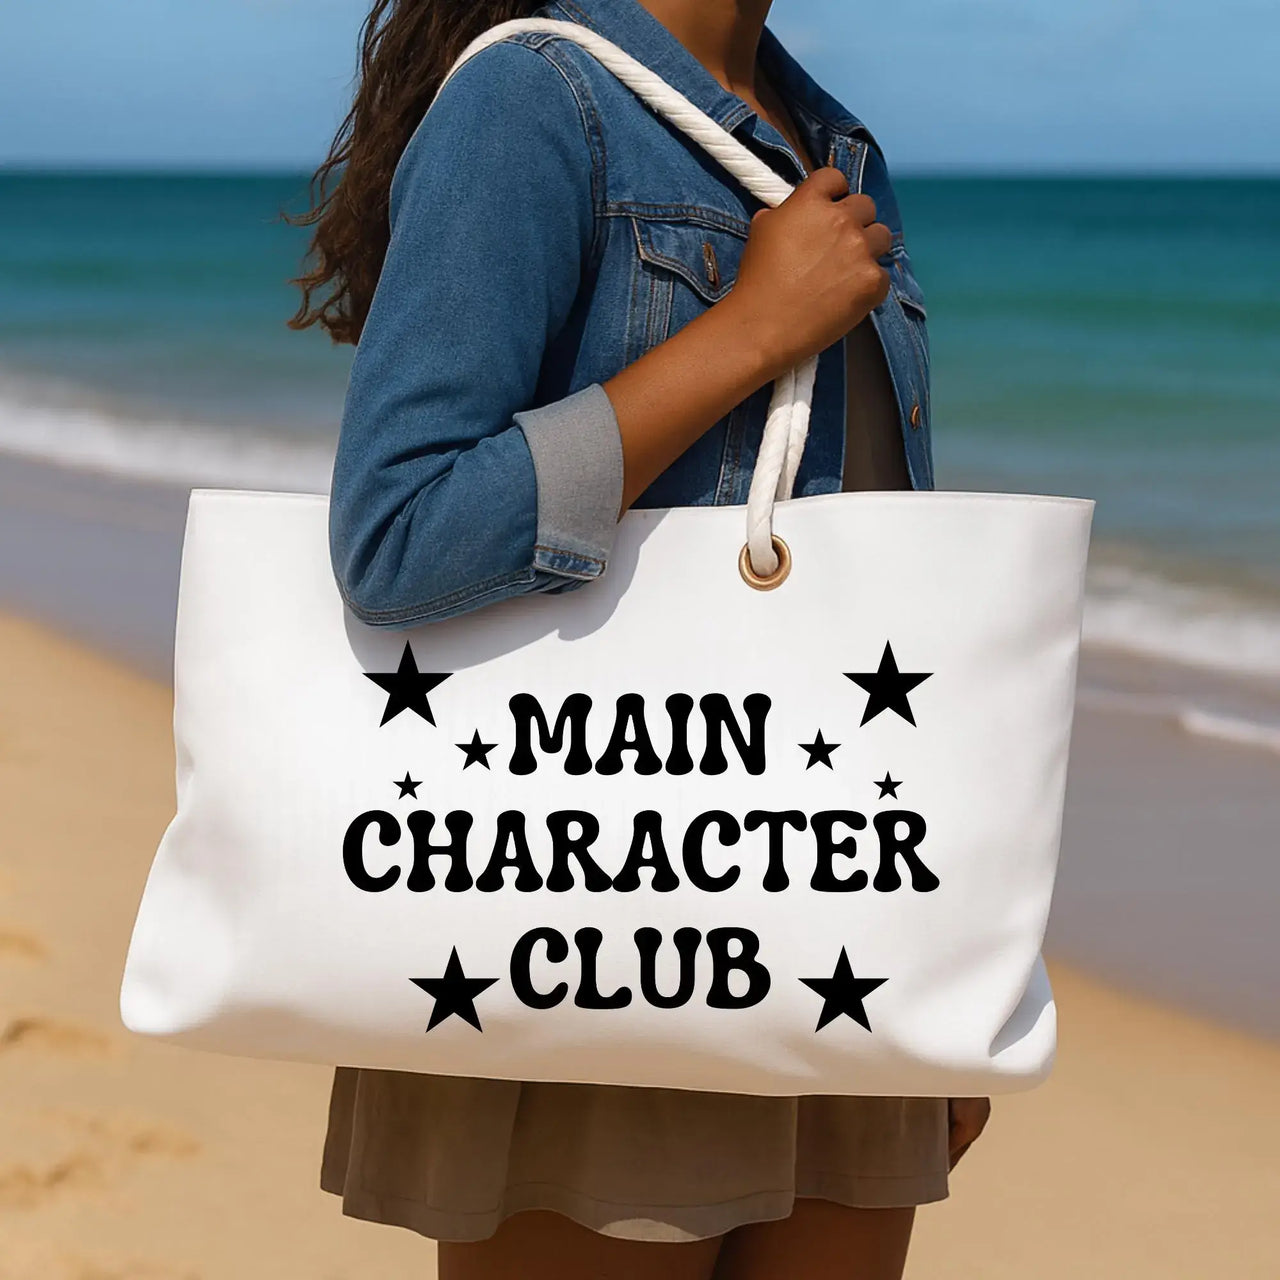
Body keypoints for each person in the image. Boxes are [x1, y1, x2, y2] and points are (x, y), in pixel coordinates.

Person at [290, 0, 990, 1275]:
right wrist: (750, 330)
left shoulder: (832, 142)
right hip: (592, 915)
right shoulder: (532, 103)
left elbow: (883, 598)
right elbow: (396, 533)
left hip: (828, 908)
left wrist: (946, 951)